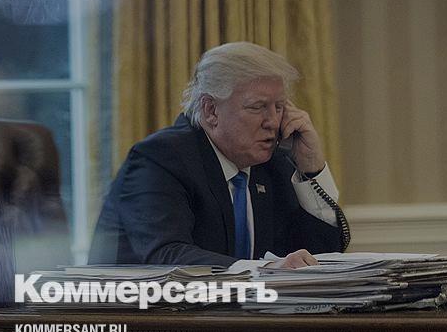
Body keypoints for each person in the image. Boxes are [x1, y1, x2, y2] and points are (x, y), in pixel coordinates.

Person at [89, 42, 347, 269]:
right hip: (144, 308)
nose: (272, 121)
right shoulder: (159, 159)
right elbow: (166, 256)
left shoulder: (273, 164)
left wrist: (311, 169)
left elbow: (322, 257)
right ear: (211, 110)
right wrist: (265, 269)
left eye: (279, 107)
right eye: (257, 107)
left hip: (242, 309)